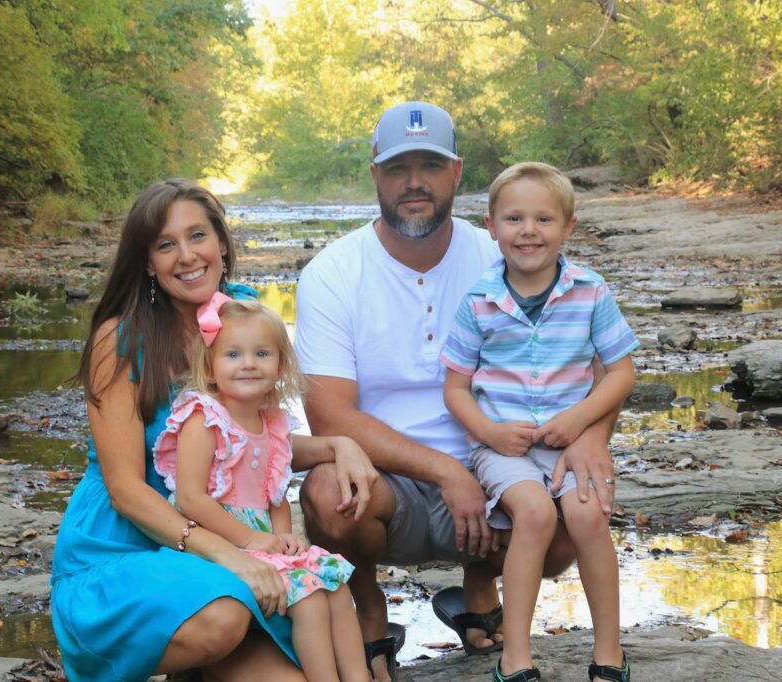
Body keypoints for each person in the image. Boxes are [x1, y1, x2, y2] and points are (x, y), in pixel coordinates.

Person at [293, 102, 624, 682]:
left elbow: (596, 358)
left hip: (503, 460)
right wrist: (448, 473)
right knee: (326, 493)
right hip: (385, 480)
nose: (414, 182)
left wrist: (592, 434)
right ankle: (370, 608)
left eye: (430, 165)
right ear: (375, 173)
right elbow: (329, 417)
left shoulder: (497, 250)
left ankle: (480, 587)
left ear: (456, 173)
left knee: (576, 513)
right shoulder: (333, 272)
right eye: (399, 168)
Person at [50, 178, 377, 682]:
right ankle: (188, 652)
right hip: (129, 548)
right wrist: (234, 554)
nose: (186, 255)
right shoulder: (121, 339)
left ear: (221, 244)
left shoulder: (239, 317)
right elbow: (125, 490)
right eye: (165, 244)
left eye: (197, 235)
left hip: (222, 539)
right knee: (224, 617)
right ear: (147, 262)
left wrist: (338, 444)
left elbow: (251, 441)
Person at [441, 162, 637, 682]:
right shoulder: (479, 301)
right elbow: (456, 389)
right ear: (492, 226)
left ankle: (609, 654)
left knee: (590, 514)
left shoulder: (590, 291)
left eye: (544, 219)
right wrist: (488, 433)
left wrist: (580, 420)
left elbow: (620, 372)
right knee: (533, 513)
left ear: (568, 227)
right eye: (514, 219)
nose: (528, 231)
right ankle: (516, 658)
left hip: (567, 442)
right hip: (500, 447)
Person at [152, 294, 369, 682]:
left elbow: (275, 495)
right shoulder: (204, 417)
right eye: (233, 354)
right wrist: (251, 539)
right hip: (213, 541)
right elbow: (190, 498)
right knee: (310, 597)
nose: (249, 363)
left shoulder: (273, 424)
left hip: (259, 540)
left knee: (335, 584)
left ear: (280, 365)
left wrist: (283, 539)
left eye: (262, 354)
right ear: (211, 366)